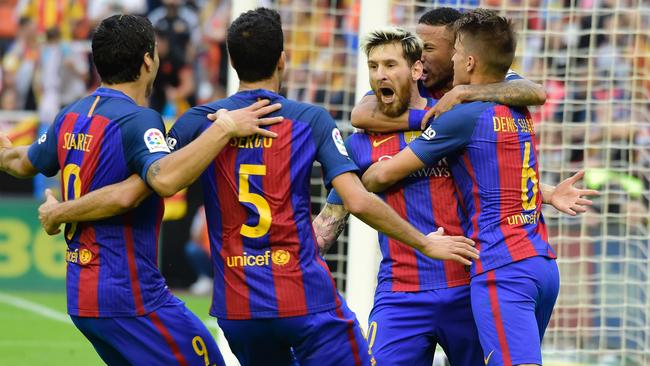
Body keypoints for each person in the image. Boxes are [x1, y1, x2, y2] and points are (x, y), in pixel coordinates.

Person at [37, 8, 478, 366]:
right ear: (283, 59)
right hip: (305, 301)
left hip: (238, 309)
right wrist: (425, 243)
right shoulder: (310, 119)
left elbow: (145, 183)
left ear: (230, 62)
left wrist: (64, 210)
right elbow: (358, 199)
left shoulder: (197, 123)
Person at [0, 14, 283, 366]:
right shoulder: (139, 119)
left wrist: (5, 154)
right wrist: (223, 129)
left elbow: (19, 162)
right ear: (148, 60)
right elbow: (158, 182)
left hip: (82, 292)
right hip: (129, 293)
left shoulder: (70, 115)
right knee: (208, 358)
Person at [314, 25, 596, 366]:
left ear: (417, 69)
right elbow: (330, 220)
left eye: (390, 65)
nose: (380, 75)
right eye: (373, 67)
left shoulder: (457, 119)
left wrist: (546, 193)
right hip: (400, 295)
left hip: (466, 286)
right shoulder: (361, 141)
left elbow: (497, 167)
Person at [351, 7, 547, 133]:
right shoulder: (414, 79)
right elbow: (361, 115)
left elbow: (536, 93)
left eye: (428, 48)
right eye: (419, 48)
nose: (420, 57)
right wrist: (443, 120)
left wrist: (464, 93)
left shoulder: (485, 78)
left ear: (457, 49)